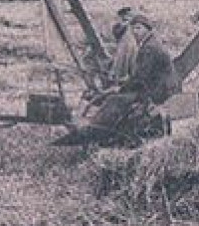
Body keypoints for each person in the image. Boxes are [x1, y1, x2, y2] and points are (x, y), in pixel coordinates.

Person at [61, 12, 178, 146]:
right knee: (117, 95)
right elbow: (140, 76)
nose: (135, 32)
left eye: (139, 28)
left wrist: (120, 88)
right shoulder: (151, 43)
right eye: (133, 28)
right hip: (158, 87)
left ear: (148, 29)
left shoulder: (149, 48)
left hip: (157, 91)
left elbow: (140, 78)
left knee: (115, 99)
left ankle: (97, 128)